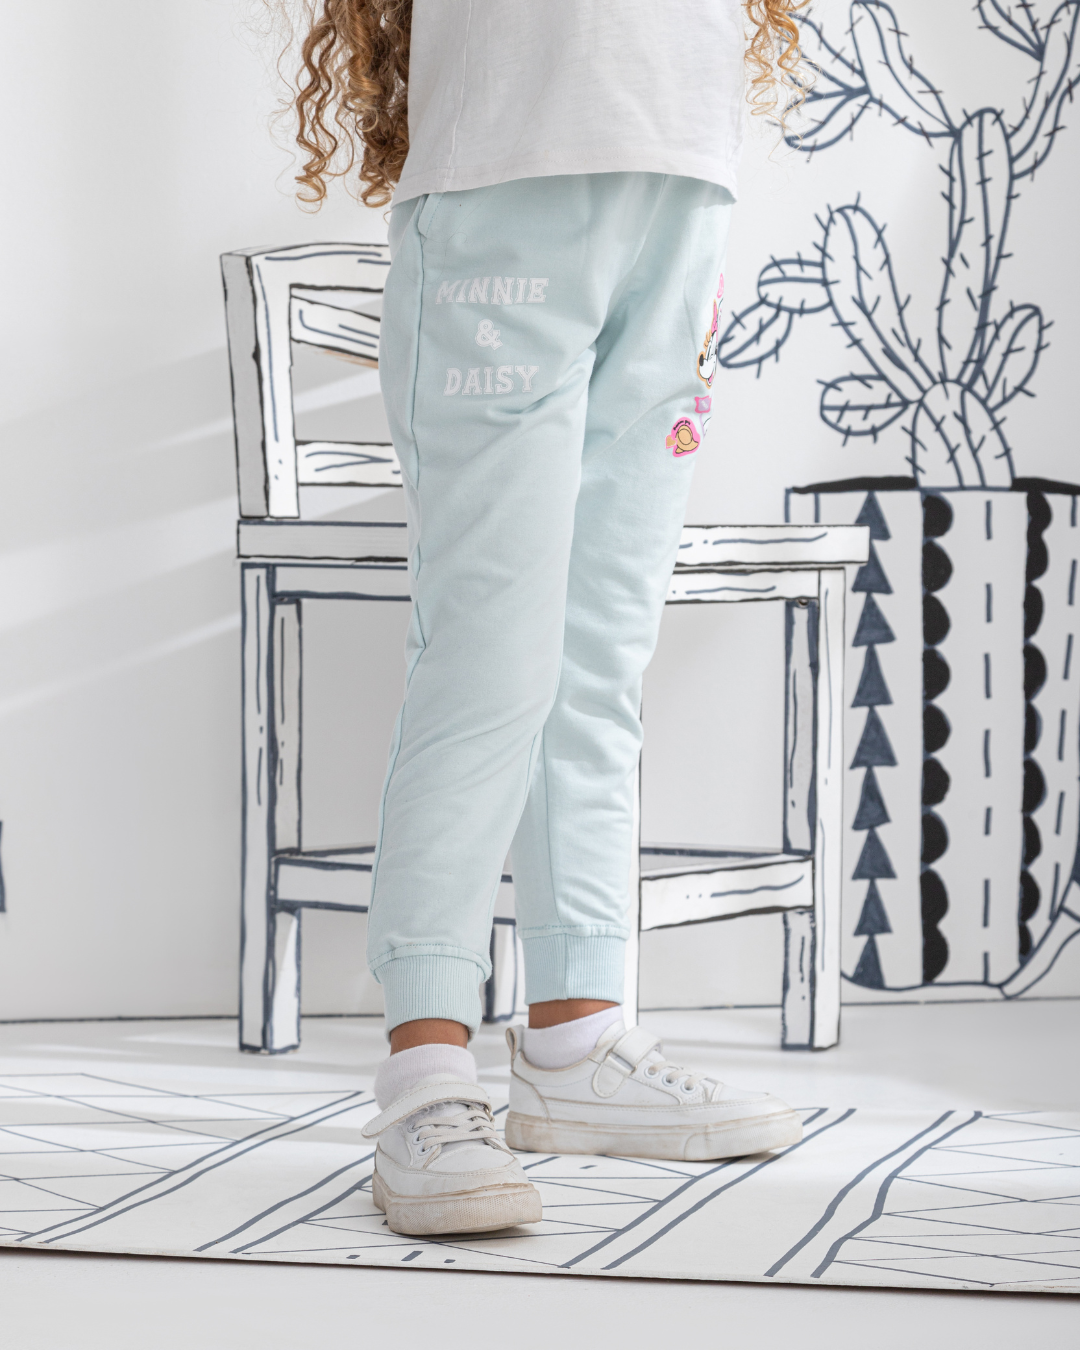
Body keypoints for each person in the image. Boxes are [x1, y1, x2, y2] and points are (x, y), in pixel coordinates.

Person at [278, 0, 808, 1237]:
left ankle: (578, 1039)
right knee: (490, 657)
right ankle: (426, 1075)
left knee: (599, 652)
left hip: (679, 188)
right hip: (505, 194)